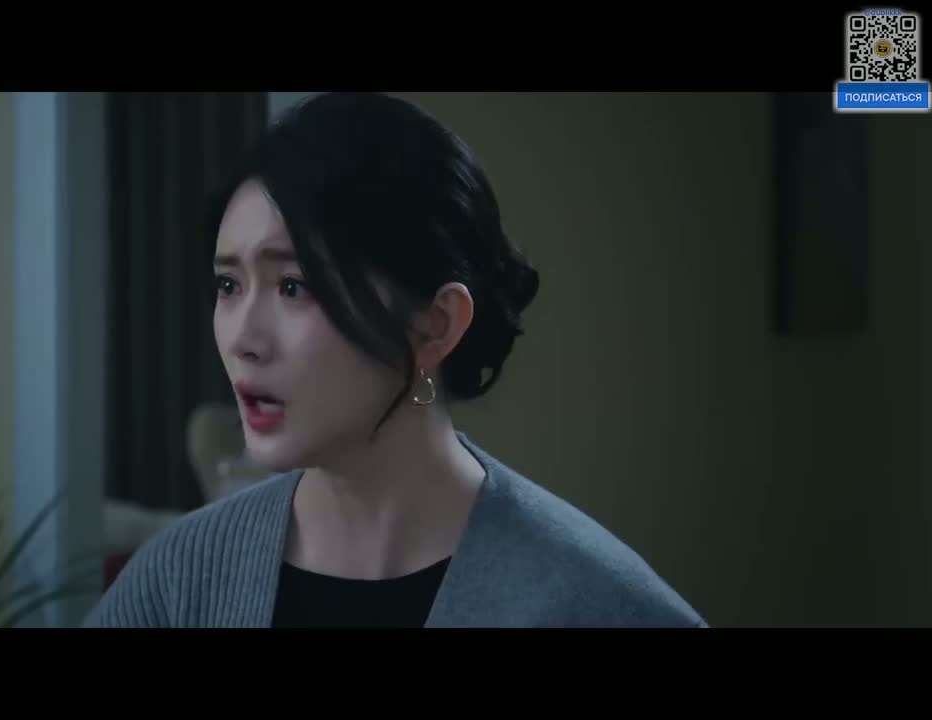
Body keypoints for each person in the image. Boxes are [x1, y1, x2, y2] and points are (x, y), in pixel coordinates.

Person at [83, 92, 706, 628]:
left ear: (436, 324)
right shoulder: (180, 579)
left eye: (294, 286)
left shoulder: (592, 599)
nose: (243, 338)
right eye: (229, 285)